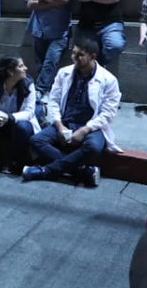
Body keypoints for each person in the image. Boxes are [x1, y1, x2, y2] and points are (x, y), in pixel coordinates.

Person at [23, 37, 120, 185]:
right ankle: (81, 170)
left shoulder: (109, 80)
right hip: (66, 122)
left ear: (92, 56)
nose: (75, 58)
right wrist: (59, 125)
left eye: (80, 55)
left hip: (91, 126)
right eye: (73, 53)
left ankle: (46, 171)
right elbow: (53, 101)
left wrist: (84, 130)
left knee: (93, 147)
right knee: (36, 140)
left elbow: (108, 113)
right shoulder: (64, 73)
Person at [25, 0, 74, 95]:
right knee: (40, 63)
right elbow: (30, 4)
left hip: (60, 31)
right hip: (39, 29)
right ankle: (47, 90)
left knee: (50, 62)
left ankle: (40, 90)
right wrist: (54, 2)